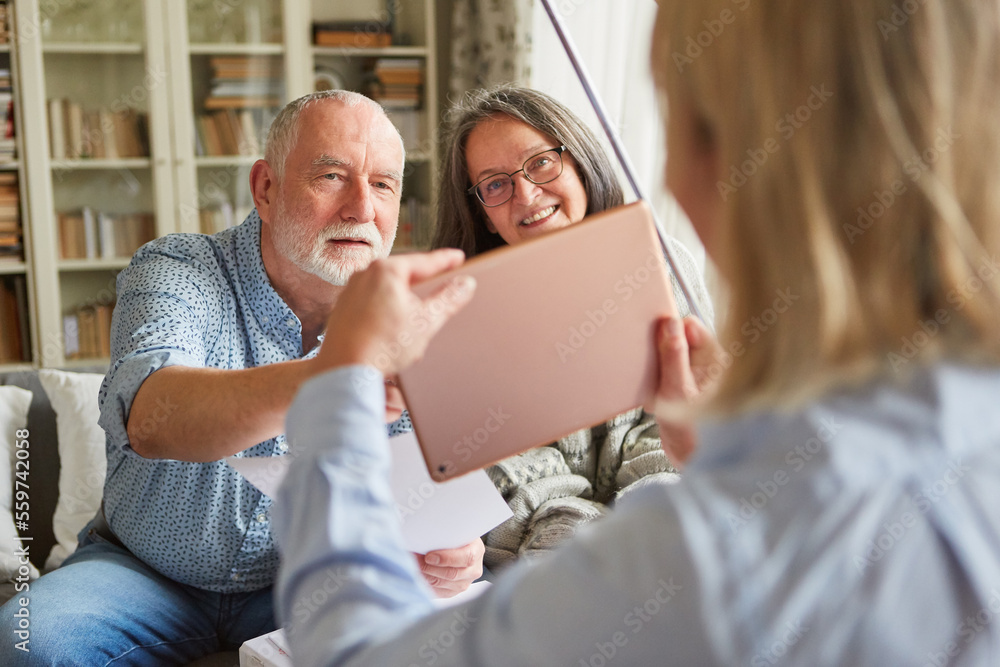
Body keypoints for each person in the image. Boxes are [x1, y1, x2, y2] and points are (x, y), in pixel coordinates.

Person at [272, 0, 1000, 664]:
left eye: (676, 115)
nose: (525, 193)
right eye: (495, 184)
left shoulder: (721, 550)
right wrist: (716, 460)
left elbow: (354, 652)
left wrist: (342, 382)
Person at [0, 90, 483, 665]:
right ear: (266, 188)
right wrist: (337, 371)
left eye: (382, 184)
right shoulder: (178, 269)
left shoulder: (417, 317)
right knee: (28, 642)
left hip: (303, 583)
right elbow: (152, 419)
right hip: (141, 572)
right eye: (332, 176)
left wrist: (453, 552)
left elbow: (419, 497)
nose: (361, 209)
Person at [432, 85, 715, 569]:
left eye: (541, 162)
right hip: (536, 554)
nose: (526, 194)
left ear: (579, 162)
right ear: (484, 215)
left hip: (657, 539)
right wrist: (571, 537)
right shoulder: (457, 313)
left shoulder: (662, 265)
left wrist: (639, 525)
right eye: (495, 185)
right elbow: (499, 471)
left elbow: (681, 430)